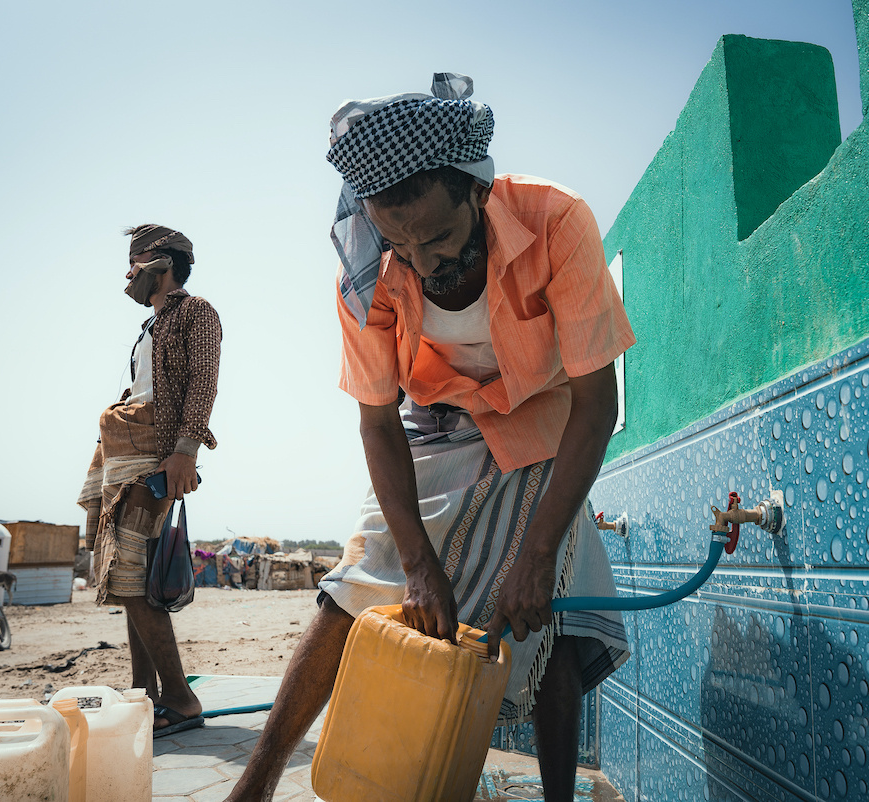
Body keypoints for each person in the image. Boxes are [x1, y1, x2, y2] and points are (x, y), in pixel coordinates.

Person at [225, 73, 634, 802]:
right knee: (357, 583)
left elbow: (597, 402)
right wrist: (418, 564)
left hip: (548, 420)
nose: (421, 262)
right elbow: (377, 419)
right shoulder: (368, 273)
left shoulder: (556, 220)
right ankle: (250, 790)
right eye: (400, 242)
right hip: (434, 425)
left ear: (477, 192)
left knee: (555, 617)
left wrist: (537, 552)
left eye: (439, 237)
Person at [76, 224, 222, 738]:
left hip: (153, 455)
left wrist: (184, 452)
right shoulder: (152, 325)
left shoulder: (195, 312)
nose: (127, 273)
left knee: (133, 577)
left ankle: (180, 701)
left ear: (161, 265)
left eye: (134, 262)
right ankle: (145, 695)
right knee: (126, 580)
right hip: (121, 452)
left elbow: (203, 384)